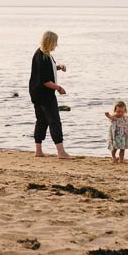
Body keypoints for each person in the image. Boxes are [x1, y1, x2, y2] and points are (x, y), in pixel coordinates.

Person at [29, 31, 71, 159]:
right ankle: (61, 152)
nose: (56, 45)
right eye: (55, 42)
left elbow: (47, 71)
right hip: (44, 95)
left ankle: (38, 151)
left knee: (41, 121)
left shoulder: (42, 53)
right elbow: (45, 81)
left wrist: (59, 67)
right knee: (54, 122)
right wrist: (59, 88)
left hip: (36, 94)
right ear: (49, 42)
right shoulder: (42, 57)